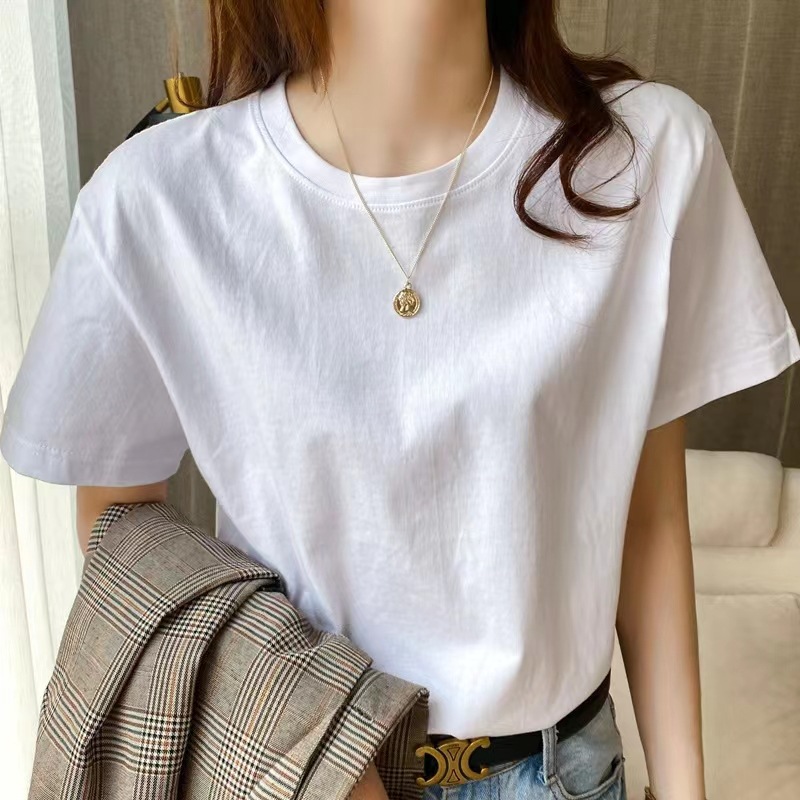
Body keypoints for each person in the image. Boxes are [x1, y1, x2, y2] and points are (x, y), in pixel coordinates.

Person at [2, 2, 798, 799]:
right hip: (300, 775)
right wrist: (318, 749)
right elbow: (122, 527)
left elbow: (648, 515)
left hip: (566, 773)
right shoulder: (162, 193)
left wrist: (684, 788)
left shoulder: (643, 152)